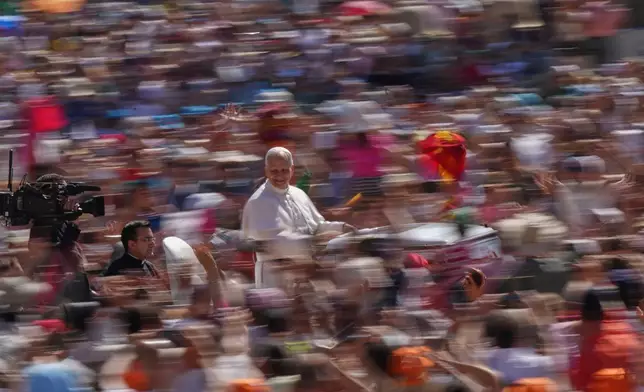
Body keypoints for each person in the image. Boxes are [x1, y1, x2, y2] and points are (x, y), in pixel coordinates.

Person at [242, 147, 355, 287]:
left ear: (292, 170)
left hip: (305, 272)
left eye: (284, 170)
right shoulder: (259, 201)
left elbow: (317, 226)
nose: (280, 175)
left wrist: (342, 227)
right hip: (275, 275)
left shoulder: (299, 194)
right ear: (266, 171)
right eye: (274, 171)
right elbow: (275, 240)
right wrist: (314, 240)